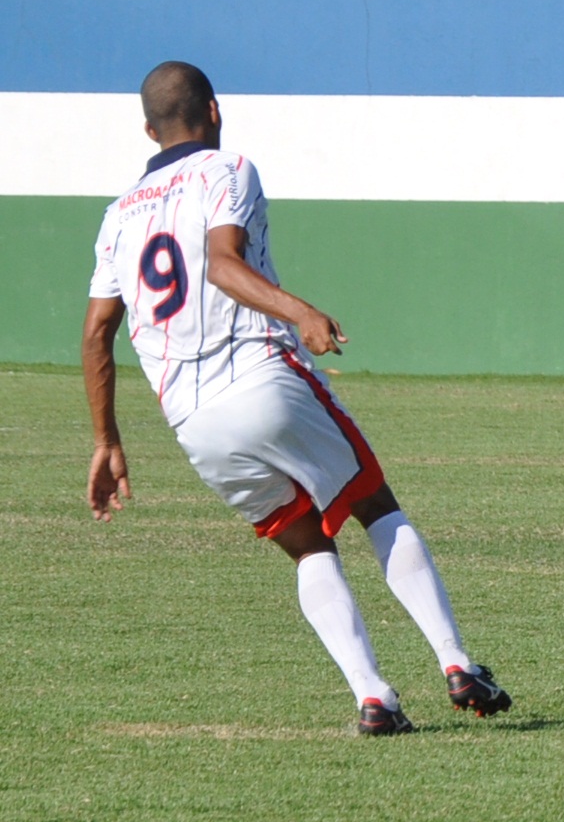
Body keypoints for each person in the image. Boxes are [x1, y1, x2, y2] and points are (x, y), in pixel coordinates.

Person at [82, 61, 511, 736]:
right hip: (259, 374)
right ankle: (456, 661)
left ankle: (373, 696)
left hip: (194, 421)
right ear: (214, 110)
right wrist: (301, 311)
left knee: (306, 544)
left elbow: (96, 333)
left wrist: (107, 440)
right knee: (373, 504)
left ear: (148, 130)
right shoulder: (227, 169)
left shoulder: (116, 216)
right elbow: (223, 265)